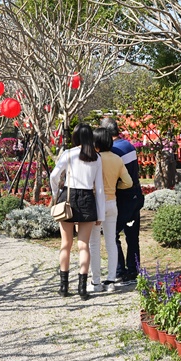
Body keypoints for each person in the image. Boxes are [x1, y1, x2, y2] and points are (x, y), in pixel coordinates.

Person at [49, 123, 106, 300]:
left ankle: (63, 287)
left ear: (75, 137)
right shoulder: (96, 157)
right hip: (88, 199)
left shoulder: (69, 154)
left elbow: (53, 175)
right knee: (84, 245)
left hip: (68, 196)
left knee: (65, 244)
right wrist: (101, 214)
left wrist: (54, 193)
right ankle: (82, 289)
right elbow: (100, 188)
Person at [88, 126, 133, 293]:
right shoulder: (117, 159)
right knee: (111, 242)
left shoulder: (94, 159)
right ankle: (111, 280)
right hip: (112, 202)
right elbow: (128, 182)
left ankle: (96, 282)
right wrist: (115, 186)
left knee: (94, 243)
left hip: (95, 203)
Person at [100, 117, 142, 283]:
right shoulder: (128, 145)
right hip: (135, 196)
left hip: (122, 198)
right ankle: (134, 269)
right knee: (132, 236)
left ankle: (119, 270)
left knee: (112, 234)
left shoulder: (114, 152)